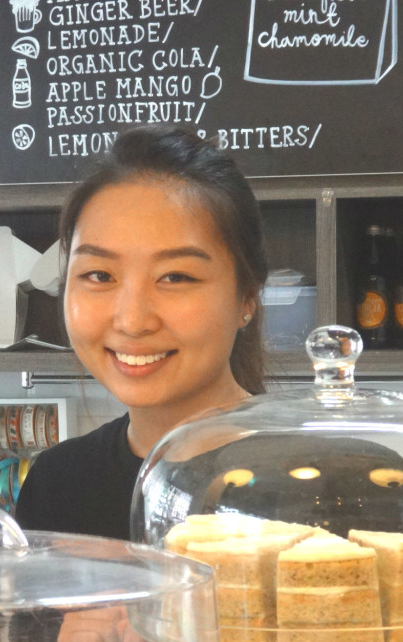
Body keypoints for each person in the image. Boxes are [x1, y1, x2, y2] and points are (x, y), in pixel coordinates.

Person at [15, 122, 269, 542]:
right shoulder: (58, 485)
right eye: (99, 274)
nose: (132, 320)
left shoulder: (326, 482)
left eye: (175, 277)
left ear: (246, 297)